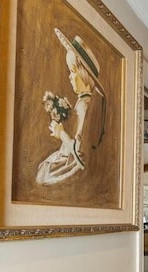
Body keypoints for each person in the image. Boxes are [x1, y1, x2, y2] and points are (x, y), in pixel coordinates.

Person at [36, 28, 106, 185]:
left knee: (43, 172)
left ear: (84, 75)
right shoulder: (83, 102)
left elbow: (78, 152)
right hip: (68, 156)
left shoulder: (84, 106)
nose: (69, 76)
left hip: (72, 163)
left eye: (73, 71)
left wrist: (61, 134)